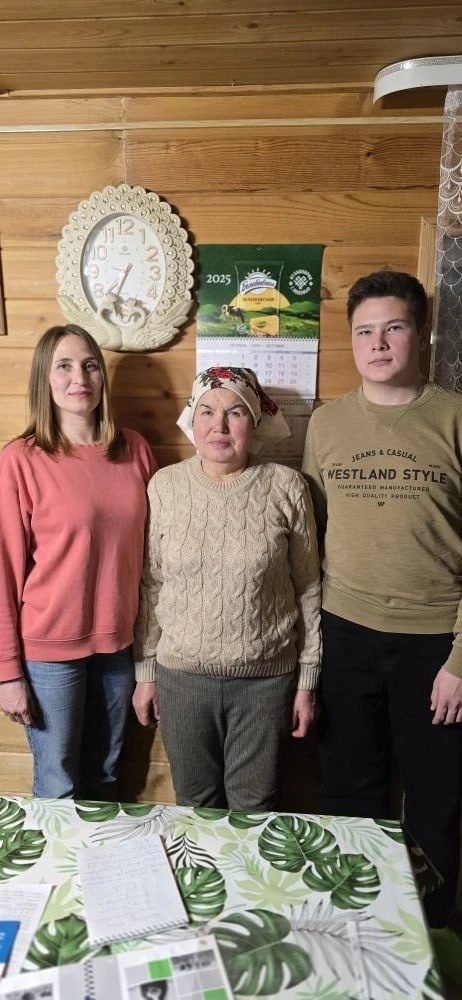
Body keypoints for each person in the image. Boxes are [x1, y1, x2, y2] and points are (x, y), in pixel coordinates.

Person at [302, 271, 462, 933]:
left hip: (437, 646)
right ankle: (353, 928)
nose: (378, 343)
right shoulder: (327, 423)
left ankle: (427, 939)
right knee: (347, 792)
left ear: (421, 334)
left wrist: (460, 662)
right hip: (345, 634)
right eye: (364, 331)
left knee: (437, 801)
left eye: (393, 327)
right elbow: (309, 536)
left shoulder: (454, 417)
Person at [132, 366, 321, 810]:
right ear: (192, 419)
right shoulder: (165, 486)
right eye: (207, 411)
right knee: (195, 802)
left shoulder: (286, 486)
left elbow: (308, 587)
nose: (219, 425)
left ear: (254, 422)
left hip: (266, 682)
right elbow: (151, 585)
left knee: (255, 805)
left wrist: (307, 680)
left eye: (235, 412)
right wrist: (146, 672)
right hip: (181, 679)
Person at [0, 323, 156, 800]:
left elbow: (154, 558)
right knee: (58, 784)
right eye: (63, 366)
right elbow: (4, 571)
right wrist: (7, 671)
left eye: (90, 365)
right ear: (44, 379)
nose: (79, 378)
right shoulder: (21, 460)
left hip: (119, 646)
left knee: (106, 777)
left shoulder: (135, 450)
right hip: (49, 652)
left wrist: (151, 656)